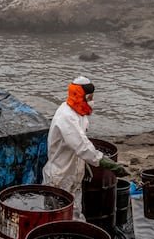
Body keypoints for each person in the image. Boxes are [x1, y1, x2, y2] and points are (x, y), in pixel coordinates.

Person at [41, 76, 128, 219]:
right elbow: (82, 146)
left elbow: (81, 143)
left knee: (74, 215)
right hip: (60, 177)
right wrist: (108, 163)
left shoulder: (79, 114)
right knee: (57, 220)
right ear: (82, 96)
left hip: (73, 175)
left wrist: (83, 164)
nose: (93, 101)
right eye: (91, 97)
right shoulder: (66, 116)